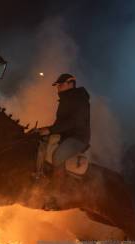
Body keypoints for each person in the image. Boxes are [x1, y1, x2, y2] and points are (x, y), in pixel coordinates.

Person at [32, 73, 91, 208]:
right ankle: (39, 178)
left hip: (78, 138)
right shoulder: (66, 99)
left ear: (70, 83)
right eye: (57, 85)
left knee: (58, 156)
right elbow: (60, 123)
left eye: (61, 84)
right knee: (39, 144)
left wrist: (50, 130)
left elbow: (75, 122)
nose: (58, 87)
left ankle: (55, 198)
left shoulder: (79, 99)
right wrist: (44, 129)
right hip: (64, 135)